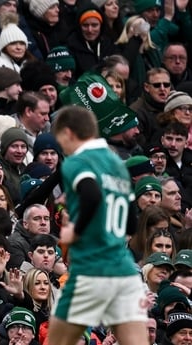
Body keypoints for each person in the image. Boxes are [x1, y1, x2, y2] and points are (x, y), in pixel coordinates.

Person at [47, 106, 147, 345]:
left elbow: (91, 194)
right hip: (123, 271)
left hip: (92, 270)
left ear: (68, 134)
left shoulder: (77, 162)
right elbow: (132, 225)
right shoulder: (118, 166)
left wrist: (75, 231)